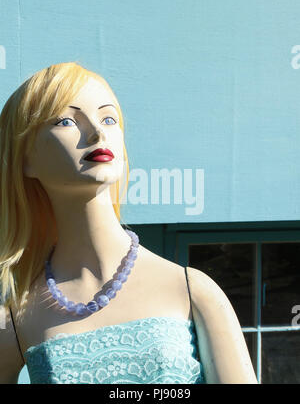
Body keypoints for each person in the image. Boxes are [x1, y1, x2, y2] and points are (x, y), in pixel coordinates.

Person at [0, 62, 257, 384]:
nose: (96, 132)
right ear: (25, 159)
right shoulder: (16, 317)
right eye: (66, 121)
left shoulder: (191, 291)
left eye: (109, 118)